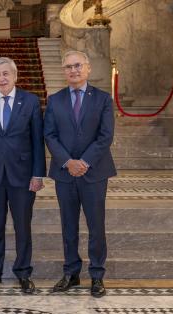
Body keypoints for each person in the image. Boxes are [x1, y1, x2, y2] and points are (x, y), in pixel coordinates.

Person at [43, 51, 116, 298]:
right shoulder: (55, 100)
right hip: (65, 174)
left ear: (88, 68)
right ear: (63, 71)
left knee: (96, 226)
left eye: (77, 66)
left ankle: (97, 275)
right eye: (68, 67)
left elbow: (105, 136)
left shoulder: (103, 99)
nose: (73, 70)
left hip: (94, 172)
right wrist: (67, 162)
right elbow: (50, 135)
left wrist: (83, 162)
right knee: (68, 226)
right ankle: (71, 273)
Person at [0, 57, 45, 294]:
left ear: (15, 76)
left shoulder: (31, 101)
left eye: (6, 74)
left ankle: (23, 272)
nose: (1, 79)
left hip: (23, 176)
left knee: (22, 226)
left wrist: (38, 174)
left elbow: (38, 140)